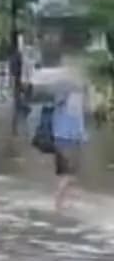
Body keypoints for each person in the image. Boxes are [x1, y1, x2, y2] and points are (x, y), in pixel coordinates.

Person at [51, 81, 87, 210]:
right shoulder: (75, 104)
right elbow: (79, 127)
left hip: (58, 141)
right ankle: (58, 201)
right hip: (70, 143)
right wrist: (83, 139)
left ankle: (64, 202)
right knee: (69, 176)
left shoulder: (58, 105)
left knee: (66, 175)